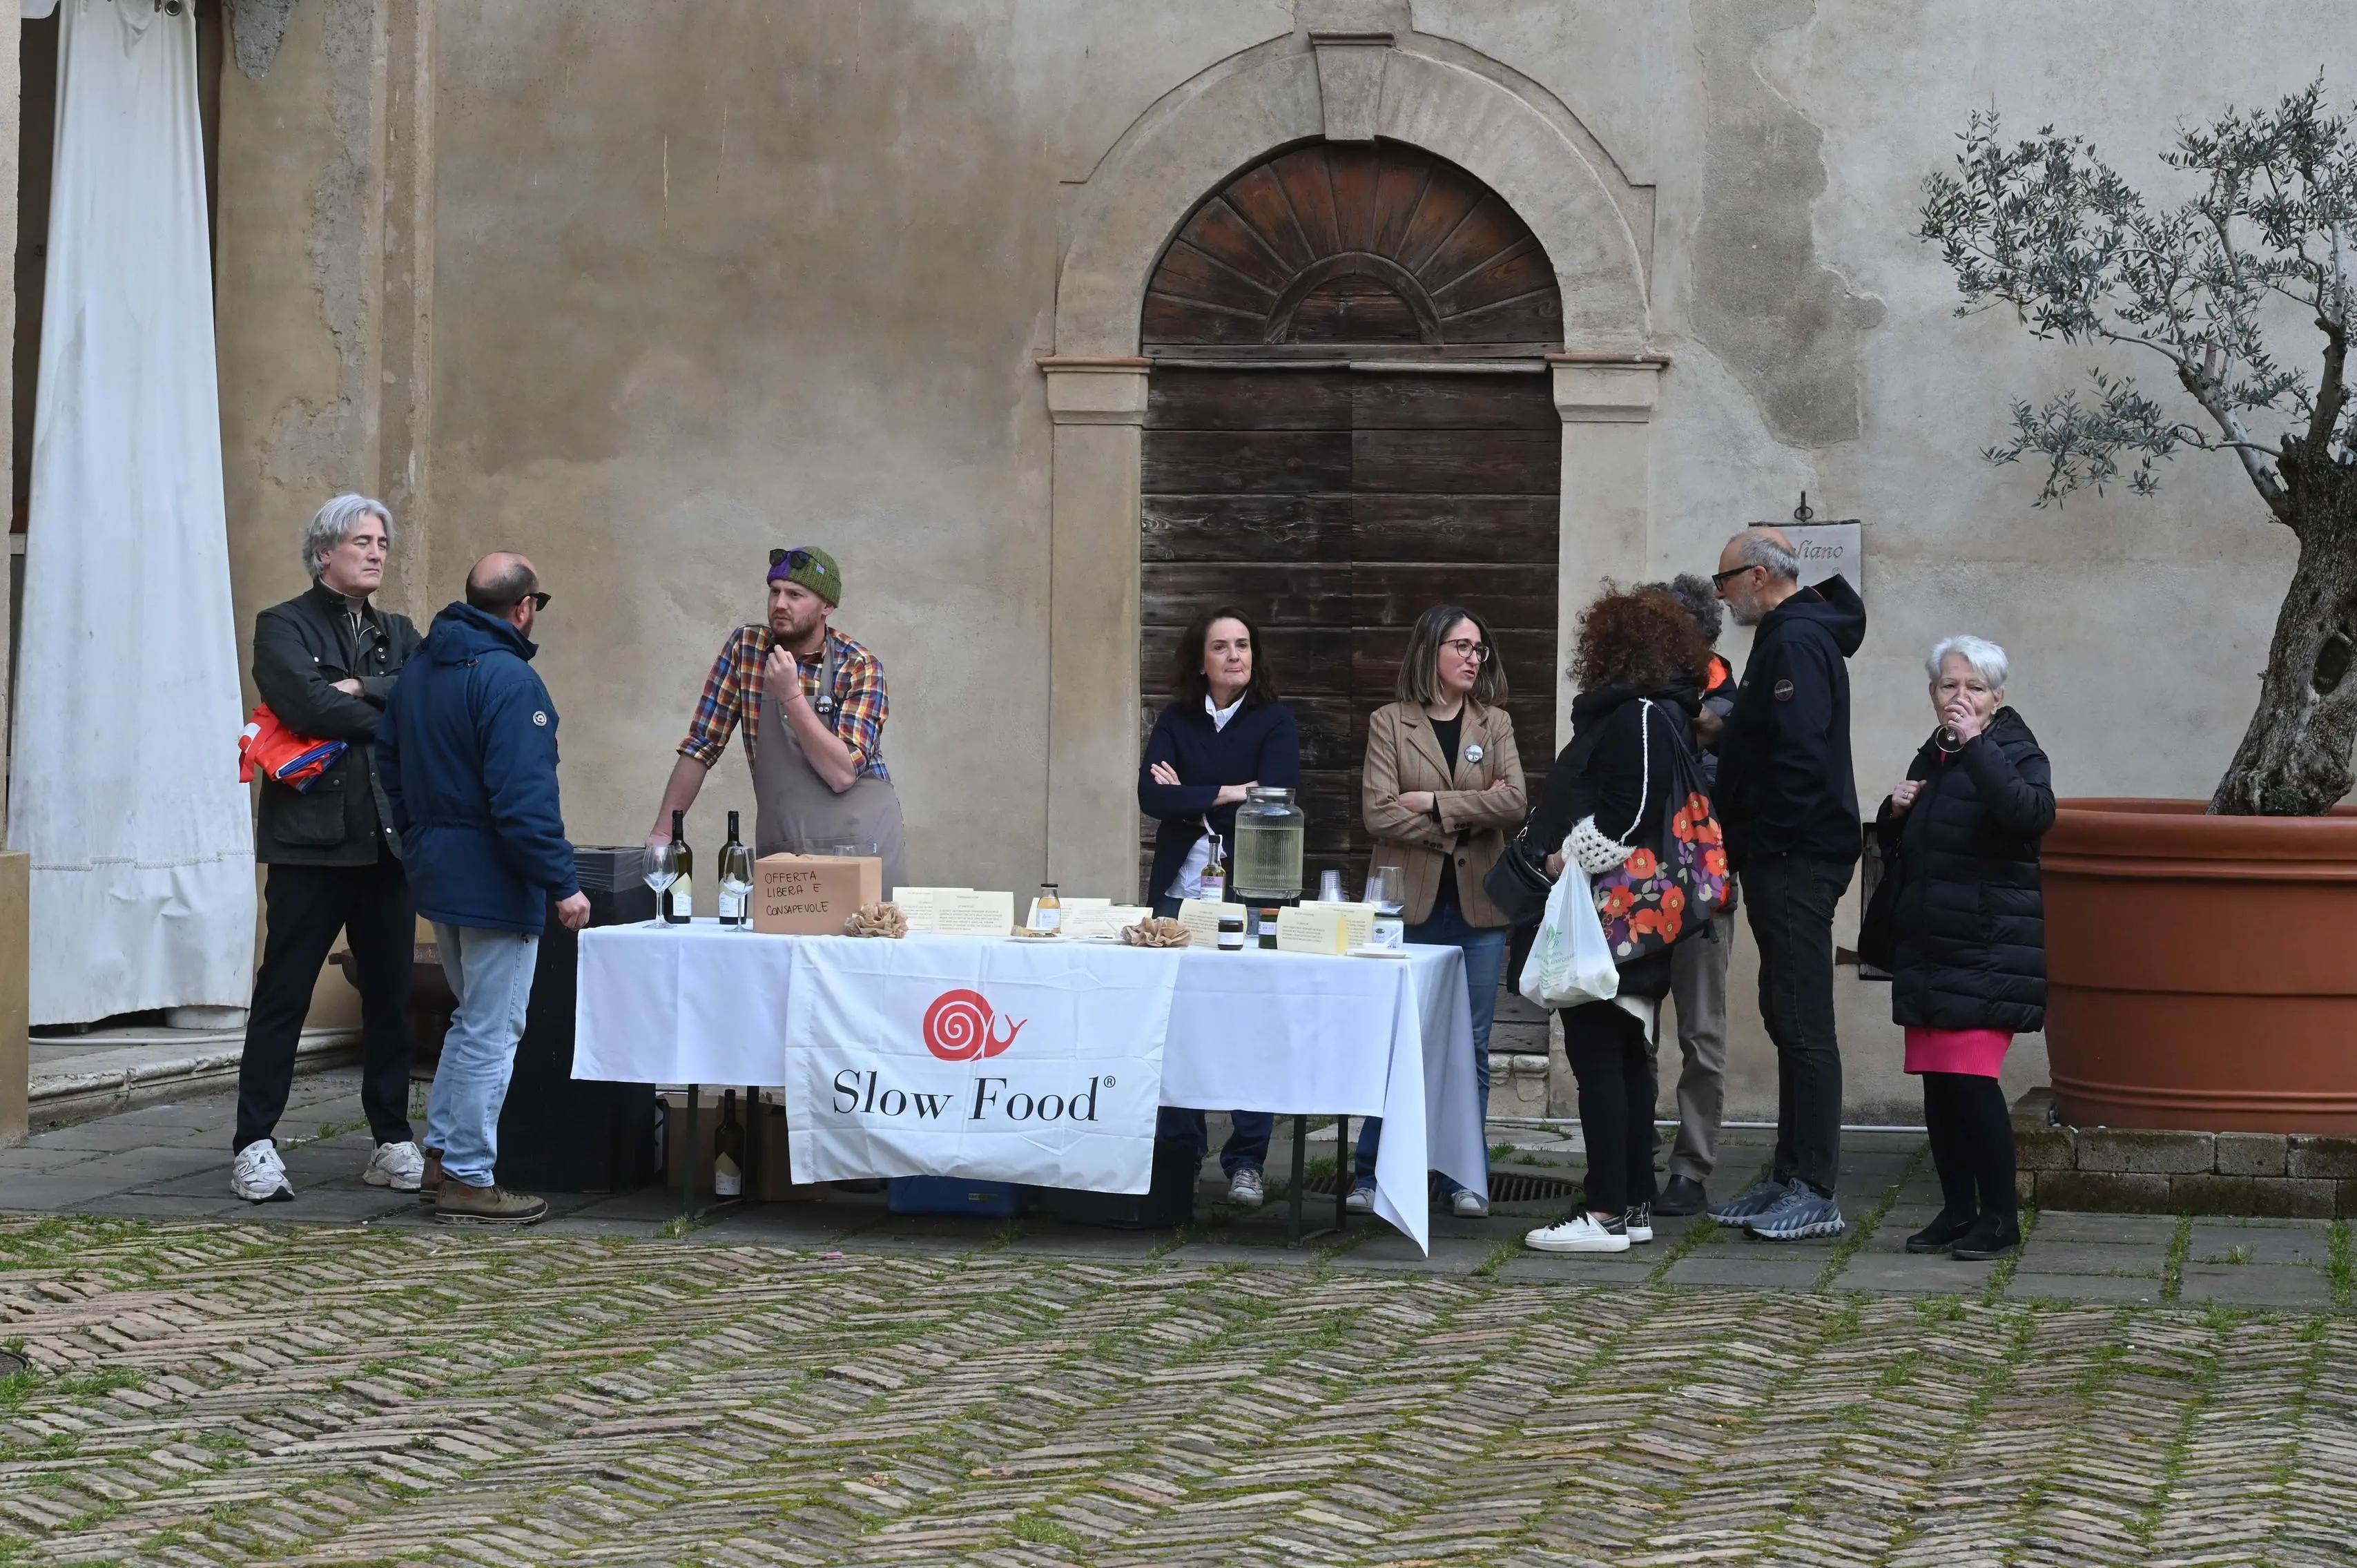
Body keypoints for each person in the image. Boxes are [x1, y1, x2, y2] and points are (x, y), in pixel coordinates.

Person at [379, 554, 592, 1226]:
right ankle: (469, 1176)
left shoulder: (421, 668)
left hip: (439, 874)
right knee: (493, 1030)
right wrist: (563, 882)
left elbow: (390, 763)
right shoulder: (510, 680)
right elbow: (525, 802)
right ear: (524, 607)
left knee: (470, 1020)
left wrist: (420, 842)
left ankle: (441, 1160)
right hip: (497, 883)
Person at [231, 495, 425, 1205]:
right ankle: (254, 1144)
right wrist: (377, 705)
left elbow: (426, 700)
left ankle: (391, 1139)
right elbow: (306, 706)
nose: (377, 553)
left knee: (391, 999)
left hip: (386, 844)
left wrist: (362, 686)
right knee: (284, 993)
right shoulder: (282, 624)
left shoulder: (399, 631)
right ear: (324, 553)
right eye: (362, 541)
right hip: (310, 845)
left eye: (382, 543)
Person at [1523, 588, 1712, 1255]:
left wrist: (1562, 856)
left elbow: (1628, 820)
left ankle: (1604, 1211)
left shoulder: (1636, 715)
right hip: (1633, 919)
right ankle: (1632, 1204)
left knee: (1600, 1055)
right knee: (1626, 1055)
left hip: (1612, 916)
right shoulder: (1651, 713)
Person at [1707, 527, 1865, 1243]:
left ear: (1760, 575)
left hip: (1795, 856)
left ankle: (1815, 1189)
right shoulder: (1789, 636)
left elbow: (1798, 758)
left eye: (1725, 581)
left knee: (1803, 1020)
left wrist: (1766, 836)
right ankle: (1788, 1173)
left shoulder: (1796, 641)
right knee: (1784, 1011)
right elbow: (1772, 738)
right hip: (1784, 853)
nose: (1722, 596)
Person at [1879, 635, 2052, 1261]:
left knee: (1972, 1084)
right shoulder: (1934, 753)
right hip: (1932, 949)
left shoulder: (2016, 750)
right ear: (1932, 693)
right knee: (1940, 1087)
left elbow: (2031, 815)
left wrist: (1978, 745)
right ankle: (1958, 1210)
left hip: (1986, 950)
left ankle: (2000, 1218)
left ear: (1996, 698)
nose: (1960, 697)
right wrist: (1894, 812)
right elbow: (1920, 847)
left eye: (1974, 687)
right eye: (1949, 685)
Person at [1354, 603, 1526, 1219]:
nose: (1474, 658)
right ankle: (1371, 1172)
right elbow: (1378, 813)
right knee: (1396, 1040)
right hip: (1408, 907)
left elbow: (1514, 802)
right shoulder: (1389, 721)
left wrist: (1431, 801)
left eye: (1480, 649)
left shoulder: (1494, 722)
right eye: (1462, 646)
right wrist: (1467, 815)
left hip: (1478, 909)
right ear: (1431, 651)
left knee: (1470, 1047)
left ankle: (1464, 1175)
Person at [1137, 604, 1300, 1208]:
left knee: (1250, 1020)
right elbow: (1151, 794)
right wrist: (1231, 791)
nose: (1235, 655)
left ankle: (1247, 1160)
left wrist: (1192, 794)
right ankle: (1181, 1152)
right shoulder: (1176, 720)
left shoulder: (1274, 721)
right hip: (1179, 892)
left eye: (1243, 644)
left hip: (1252, 889)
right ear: (1200, 661)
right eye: (1222, 646)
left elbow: (1275, 796)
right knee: (1177, 1018)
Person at [650, 547, 906, 894]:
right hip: (786, 849)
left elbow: (842, 774)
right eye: (775, 591)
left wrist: (791, 696)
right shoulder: (747, 649)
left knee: (863, 931)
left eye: (795, 595)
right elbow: (702, 745)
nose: (780, 604)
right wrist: (663, 834)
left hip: (858, 847)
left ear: (827, 607)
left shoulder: (859, 666)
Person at [1640, 574, 1740, 1217]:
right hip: (1639, 888)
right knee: (1635, 1028)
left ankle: (1691, 1168)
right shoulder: (1634, 696)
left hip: (1706, 890)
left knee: (1701, 1034)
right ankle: (1635, 1151)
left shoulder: (1728, 700)